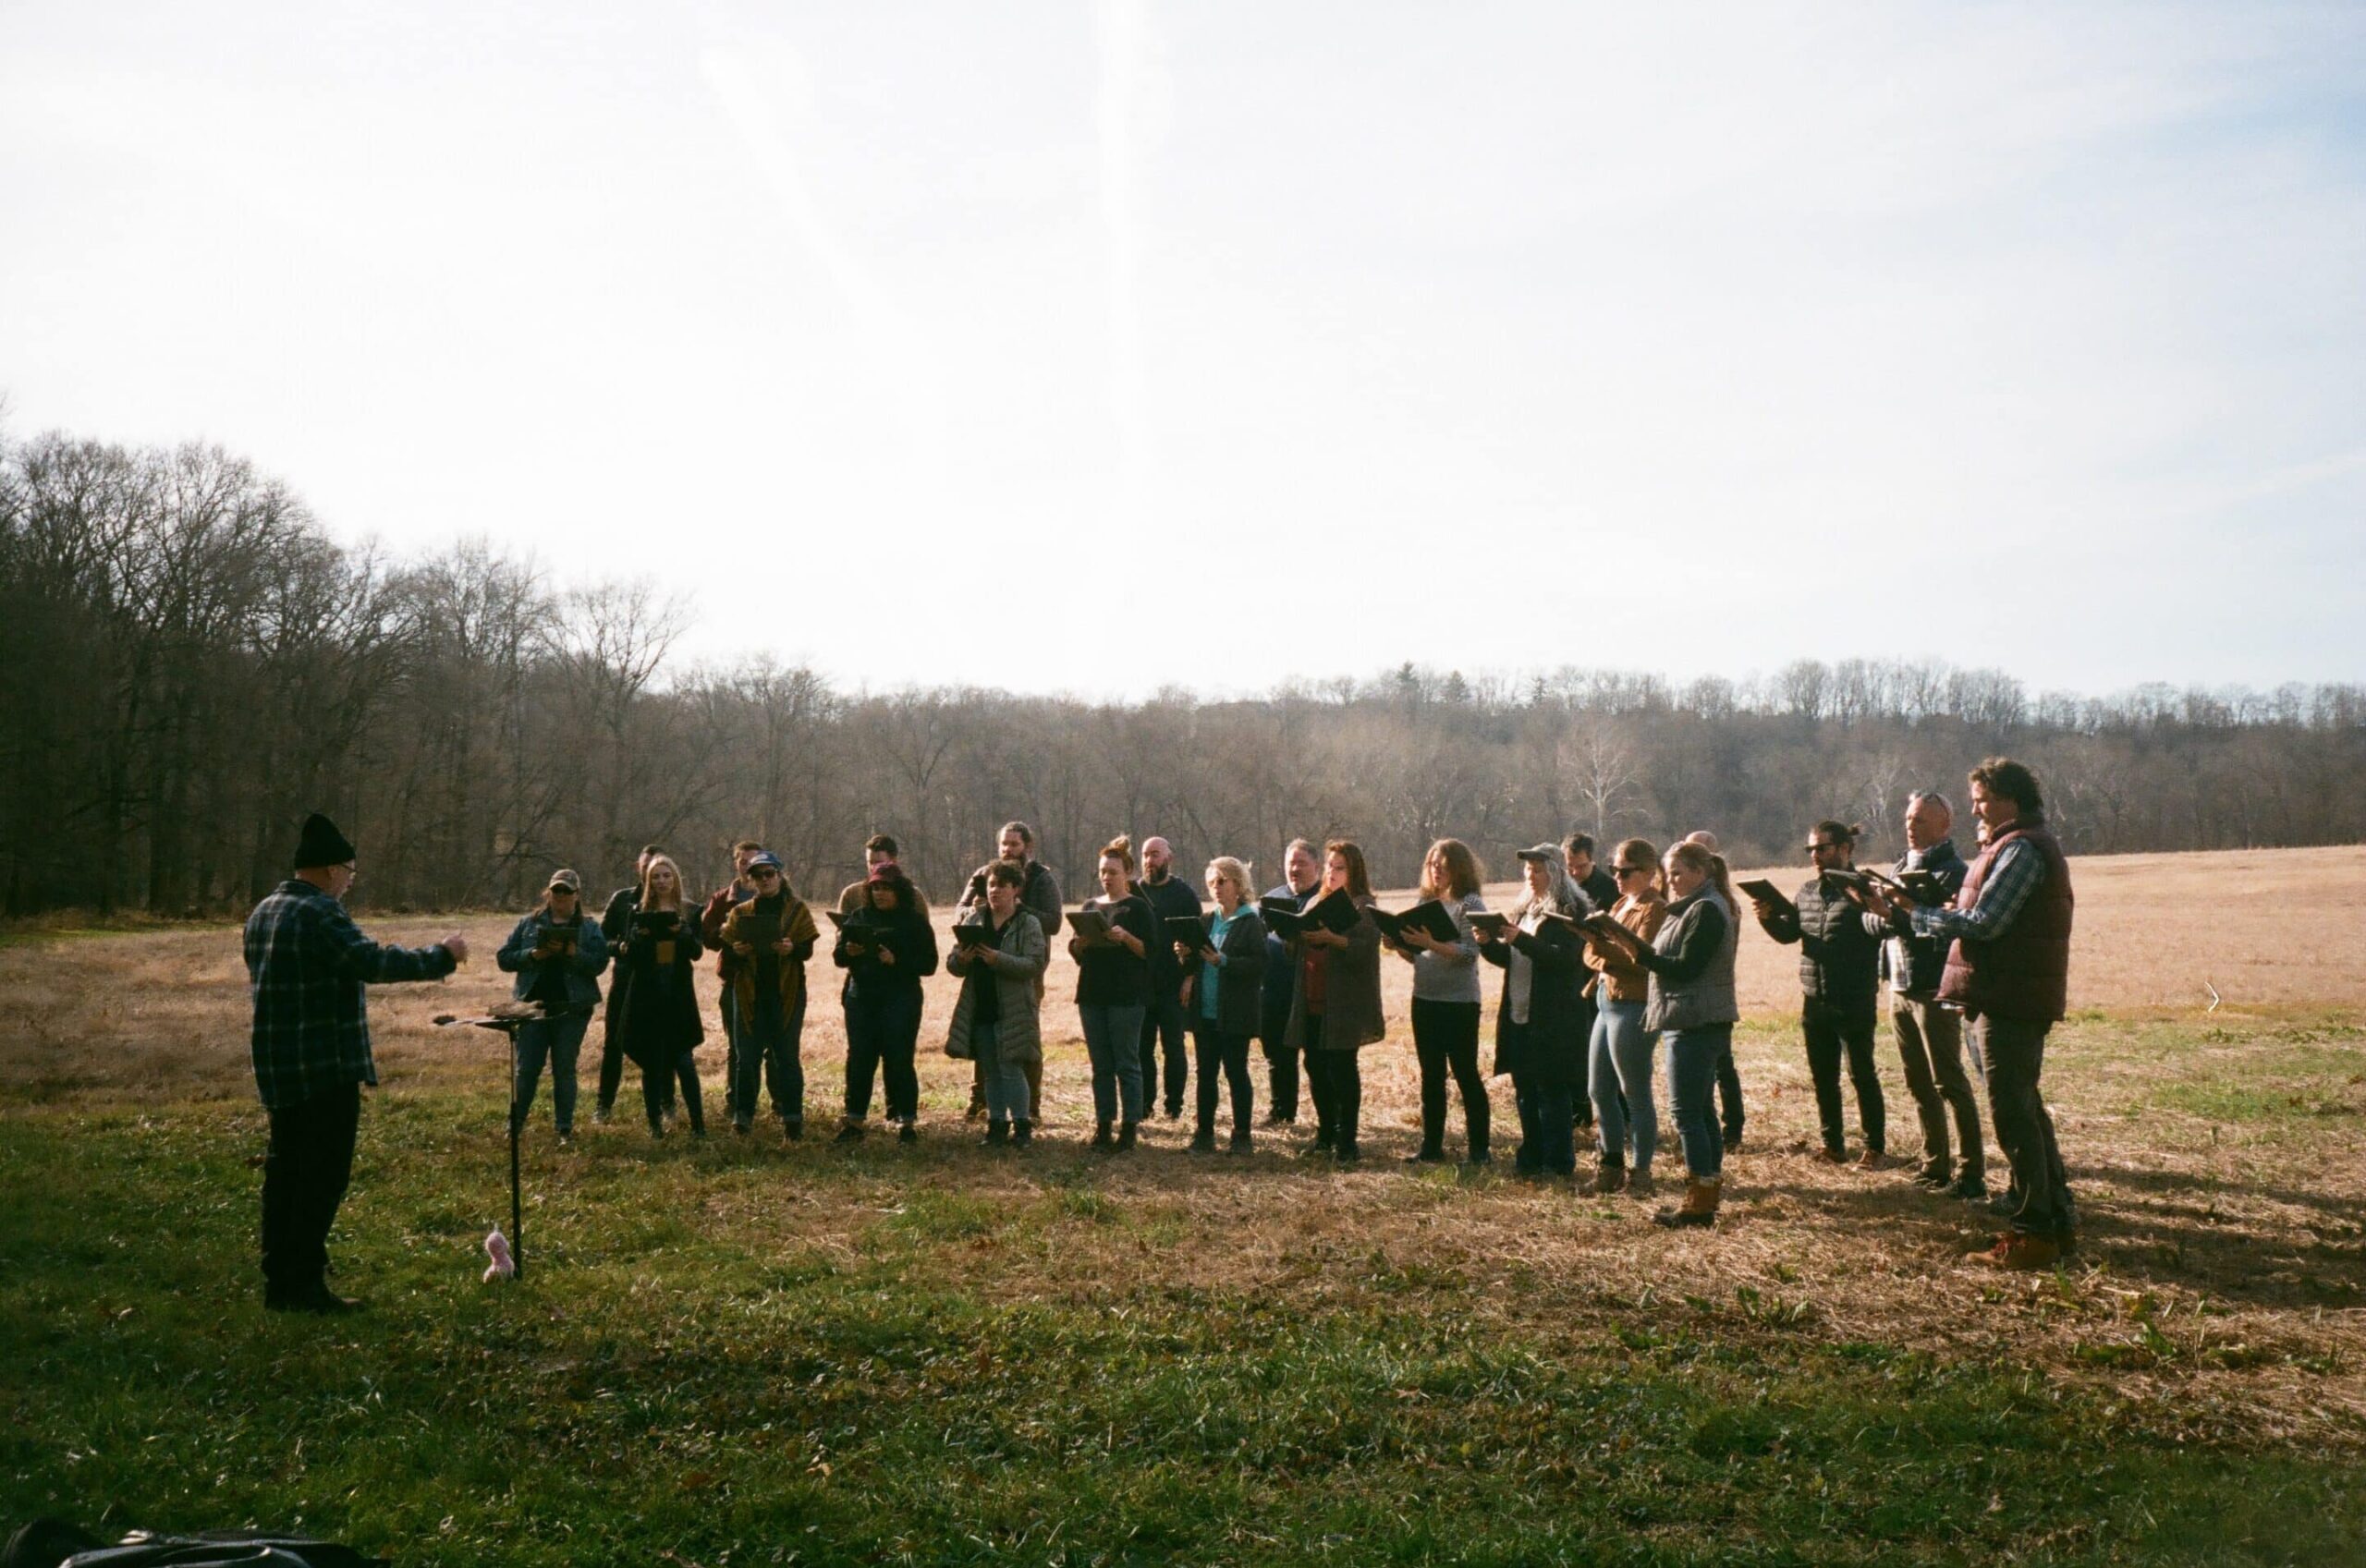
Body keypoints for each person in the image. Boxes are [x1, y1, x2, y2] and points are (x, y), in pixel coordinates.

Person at [243, 811, 467, 1312]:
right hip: (325, 1066)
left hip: (278, 1068)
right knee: (321, 1177)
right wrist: (442, 956)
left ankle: (280, 1279)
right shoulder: (320, 913)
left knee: (284, 1175)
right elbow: (372, 961)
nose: (349, 882)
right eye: (349, 871)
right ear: (328, 870)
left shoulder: (263, 912)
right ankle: (304, 1285)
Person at [1860, 758, 2077, 1269]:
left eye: (1981, 798)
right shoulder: (2007, 846)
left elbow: (1985, 921)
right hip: (1996, 996)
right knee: (2024, 1109)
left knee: (2014, 1115)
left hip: (2009, 1001)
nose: (1976, 808)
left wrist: (1916, 914)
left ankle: (2034, 1233)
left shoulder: (2021, 848)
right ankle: (2054, 1214)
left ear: (2009, 800)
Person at [1857, 792, 1982, 1197]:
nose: (1912, 826)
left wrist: (1894, 916)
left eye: (1922, 821)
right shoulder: (1899, 865)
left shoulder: (1953, 872)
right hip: (1899, 984)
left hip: (1933, 987)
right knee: (1917, 1082)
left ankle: (1970, 1173)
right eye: (1909, 819)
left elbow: (1936, 929)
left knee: (1948, 1081)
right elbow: (1873, 925)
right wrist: (1887, 917)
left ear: (1945, 826)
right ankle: (1934, 1165)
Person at [1616, 839, 1740, 1228]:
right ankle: (1707, 1189)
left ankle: (1699, 1203)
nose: (1670, 881)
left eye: (1677, 873)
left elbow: (1686, 967)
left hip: (1696, 1022)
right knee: (1701, 1110)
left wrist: (1638, 952)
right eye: (1668, 874)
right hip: (1691, 1019)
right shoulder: (1691, 907)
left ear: (1700, 873)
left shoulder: (1705, 910)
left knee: (1686, 1112)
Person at [1751, 820, 1888, 1168]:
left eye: (1822, 848)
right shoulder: (1808, 890)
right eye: (1811, 849)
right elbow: (1790, 935)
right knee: (1823, 1077)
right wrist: (1768, 919)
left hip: (1854, 997)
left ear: (1845, 849)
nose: (1815, 855)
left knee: (1862, 1075)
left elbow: (1883, 930)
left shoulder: (1864, 891)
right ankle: (1833, 1145)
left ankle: (1874, 1148)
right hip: (1815, 998)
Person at [1475, 844, 1587, 1178]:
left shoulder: (1571, 910)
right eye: (1528, 871)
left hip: (1553, 1016)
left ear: (1556, 873)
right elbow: (1511, 960)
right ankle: (1531, 1157)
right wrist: (1488, 944)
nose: (1531, 876)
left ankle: (1559, 1162)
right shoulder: (1525, 908)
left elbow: (1566, 960)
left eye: (1538, 870)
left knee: (1552, 1092)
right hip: (1519, 1011)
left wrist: (1521, 939)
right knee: (1524, 1090)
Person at [1387, 838, 1490, 1165]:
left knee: (1465, 1073)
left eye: (1443, 866)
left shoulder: (1469, 902)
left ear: (1458, 868)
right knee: (1431, 1074)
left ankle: (1479, 1151)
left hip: (1460, 1002)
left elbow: (1470, 954)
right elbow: (1419, 957)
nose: (1436, 871)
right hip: (1425, 998)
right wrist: (1399, 945)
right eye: (1432, 864)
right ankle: (1431, 1148)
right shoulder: (1425, 901)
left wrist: (1431, 941)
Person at [1285, 839, 1384, 1161]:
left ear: (1354, 871)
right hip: (1312, 997)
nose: (1331, 872)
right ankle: (1325, 1133)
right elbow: (1298, 947)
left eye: (1339, 867)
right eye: (1329, 866)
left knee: (1342, 1068)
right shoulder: (1316, 901)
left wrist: (1333, 939)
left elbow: (1364, 950)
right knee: (1313, 1064)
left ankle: (1347, 1140)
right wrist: (1292, 933)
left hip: (1343, 1004)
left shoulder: (1363, 906)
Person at [1578, 839, 1668, 1195]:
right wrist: (1601, 950)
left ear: (1648, 872)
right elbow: (1590, 954)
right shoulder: (1619, 903)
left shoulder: (1654, 908)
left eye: (1625, 871)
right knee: (1598, 1089)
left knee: (1634, 1091)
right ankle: (1610, 1165)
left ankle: (1641, 1172)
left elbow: (1640, 959)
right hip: (1605, 1000)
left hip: (1633, 1004)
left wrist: (1601, 949)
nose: (1616, 876)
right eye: (1614, 869)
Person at [494, 868, 611, 1141]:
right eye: (556, 890)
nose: (560, 895)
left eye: (566, 891)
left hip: (572, 1009)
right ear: (548, 893)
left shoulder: (590, 928)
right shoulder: (528, 924)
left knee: (564, 1069)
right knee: (527, 1069)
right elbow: (503, 958)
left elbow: (600, 964)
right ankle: (515, 1124)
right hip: (533, 1008)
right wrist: (532, 954)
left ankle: (564, 1129)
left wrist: (574, 954)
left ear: (577, 895)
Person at [959, 821, 1061, 1121]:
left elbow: (1054, 922)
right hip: (984, 967)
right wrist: (974, 910)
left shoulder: (1042, 879)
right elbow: (959, 910)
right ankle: (980, 1101)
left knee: (1023, 1038)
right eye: (1004, 844)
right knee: (984, 1034)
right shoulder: (983, 875)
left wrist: (1017, 908)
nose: (1008, 849)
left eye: (1014, 844)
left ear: (1028, 847)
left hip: (1026, 971)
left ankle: (1031, 1108)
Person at [833, 861, 938, 1142]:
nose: (880, 893)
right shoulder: (858, 916)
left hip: (900, 998)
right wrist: (849, 949)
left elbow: (929, 964)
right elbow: (838, 957)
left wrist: (897, 961)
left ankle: (906, 1123)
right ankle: (854, 1121)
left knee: (899, 1059)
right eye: (876, 887)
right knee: (860, 1059)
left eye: (886, 887)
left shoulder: (914, 922)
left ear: (899, 890)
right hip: (862, 998)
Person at [946, 858, 1049, 1147]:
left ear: (1016, 889)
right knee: (990, 1070)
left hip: (1013, 1008)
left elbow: (1034, 964)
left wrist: (997, 959)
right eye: (991, 885)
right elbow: (953, 965)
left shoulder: (1028, 922)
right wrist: (961, 960)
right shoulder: (973, 919)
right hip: (981, 1004)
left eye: (1002, 885)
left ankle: (1022, 1126)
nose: (995, 891)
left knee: (1011, 1068)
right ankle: (996, 1124)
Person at [719, 850, 821, 1139]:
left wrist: (792, 949)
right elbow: (727, 949)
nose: (764, 880)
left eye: (769, 874)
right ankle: (743, 1117)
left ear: (779, 875)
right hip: (749, 992)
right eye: (757, 875)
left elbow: (807, 950)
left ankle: (792, 1120)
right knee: (746, 1058)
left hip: (786, 992)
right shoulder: (740, 913)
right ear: (749, 880)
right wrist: (737, 952)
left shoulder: (796, 910)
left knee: (787, 1057)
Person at [614, 854, 707, 1138]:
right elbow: (628, 952)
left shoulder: (689, 911)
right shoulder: (637, 910)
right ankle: (655, 1124)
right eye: (656, 876)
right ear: (648, 881)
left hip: (677, 991)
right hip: (647, 991)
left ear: (675, 878)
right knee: (651, 1060)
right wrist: (638, 938)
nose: (662, 881)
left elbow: (696, 952)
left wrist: (683, 932)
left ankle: (698, 1125)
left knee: (684, 1060)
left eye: (667, 875)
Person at [1072, 835, 1155, 1149]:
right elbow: (1079, 953)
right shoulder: (1089, 907)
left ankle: (1130, 1126)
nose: (1107, 877)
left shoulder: (1138, 908)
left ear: (1128, 874)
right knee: (1100, 1065)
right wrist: (1078, 945)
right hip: (1092, 994)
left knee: (1127, 1062)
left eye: (1113, 872)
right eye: (1103, 872)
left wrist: (1128, 939)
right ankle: (1103, 1124)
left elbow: (1152, 952)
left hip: (1127, 996)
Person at [1181, 856, 1269, 1153]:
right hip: (1205, 1010)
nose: (1216, 888)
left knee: (1236, 1072)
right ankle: (1204, 1134)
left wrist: (1226, 962)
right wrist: (1184, 953)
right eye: (1211, 883)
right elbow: (1195, 961)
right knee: (1205, 1073)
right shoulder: (1207, 921)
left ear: (1238, 884)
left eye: (1222, 881)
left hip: (1235, 1011)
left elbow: (1259, 965)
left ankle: (1242, 1135)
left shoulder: (1250, 922)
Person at [1679, 831, 1743, 1147]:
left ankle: (1732, 1126)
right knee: (1714, 1069)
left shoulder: (1719, 904)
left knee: (1722, 1067)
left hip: (1712, 999)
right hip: (1706, 998)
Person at [1133, 834, 1203, 1119]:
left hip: (1174, 985)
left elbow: (1198, 941)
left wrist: (1190, 978)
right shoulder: (1133, 891)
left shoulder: (1184, 895)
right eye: (1146, 855)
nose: (1150, 861)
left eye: (1155, 855)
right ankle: (1144, 1105)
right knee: (1141, 1049)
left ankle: (1173, 1106)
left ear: (1169, 859)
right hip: (1141, 984)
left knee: (1173, 1048)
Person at [594, 844, 663, 1123]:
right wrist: (620, 947)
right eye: (645, 865)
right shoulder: (622, 900)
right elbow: (600, 941)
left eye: (655, 866)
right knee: (614, 1043)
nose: (650, 872)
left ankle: (664, 1105)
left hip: (658, 983)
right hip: (625, 980)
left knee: (660, 1045)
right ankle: (604, 1105)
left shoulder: (671, 901)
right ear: (638, 867)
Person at [701, 840, 765, 1123]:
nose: (748, 867)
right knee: (737, 1047)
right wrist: (728, 933)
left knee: (773, 1047)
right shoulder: (723, 898)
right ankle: (736, 1103)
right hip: (735, 979)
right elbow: (707, 937)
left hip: (768, 978)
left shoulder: (773, 892)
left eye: (754, 862)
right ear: (736, 863)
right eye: (743, 861)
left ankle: (778, 1104)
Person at [1257, 838, 1322, 1124]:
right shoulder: (1272, 899)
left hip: (1311, 991)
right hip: (1275, 991)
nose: (1294, 869)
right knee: (1277, 1056)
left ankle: (1327, 1118)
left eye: (1301, 863)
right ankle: (1281, 1112)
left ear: (1316, 867)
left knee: (1317, 1060)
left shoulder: (1326, 897)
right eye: (1290, 864)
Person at [837, 833, 926, 915]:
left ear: (894, 861)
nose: (873, 867)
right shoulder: (851, 894)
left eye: (879, 863)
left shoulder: (913, 895)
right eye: (870, 862)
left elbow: (923, 929)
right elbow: (841, 929)